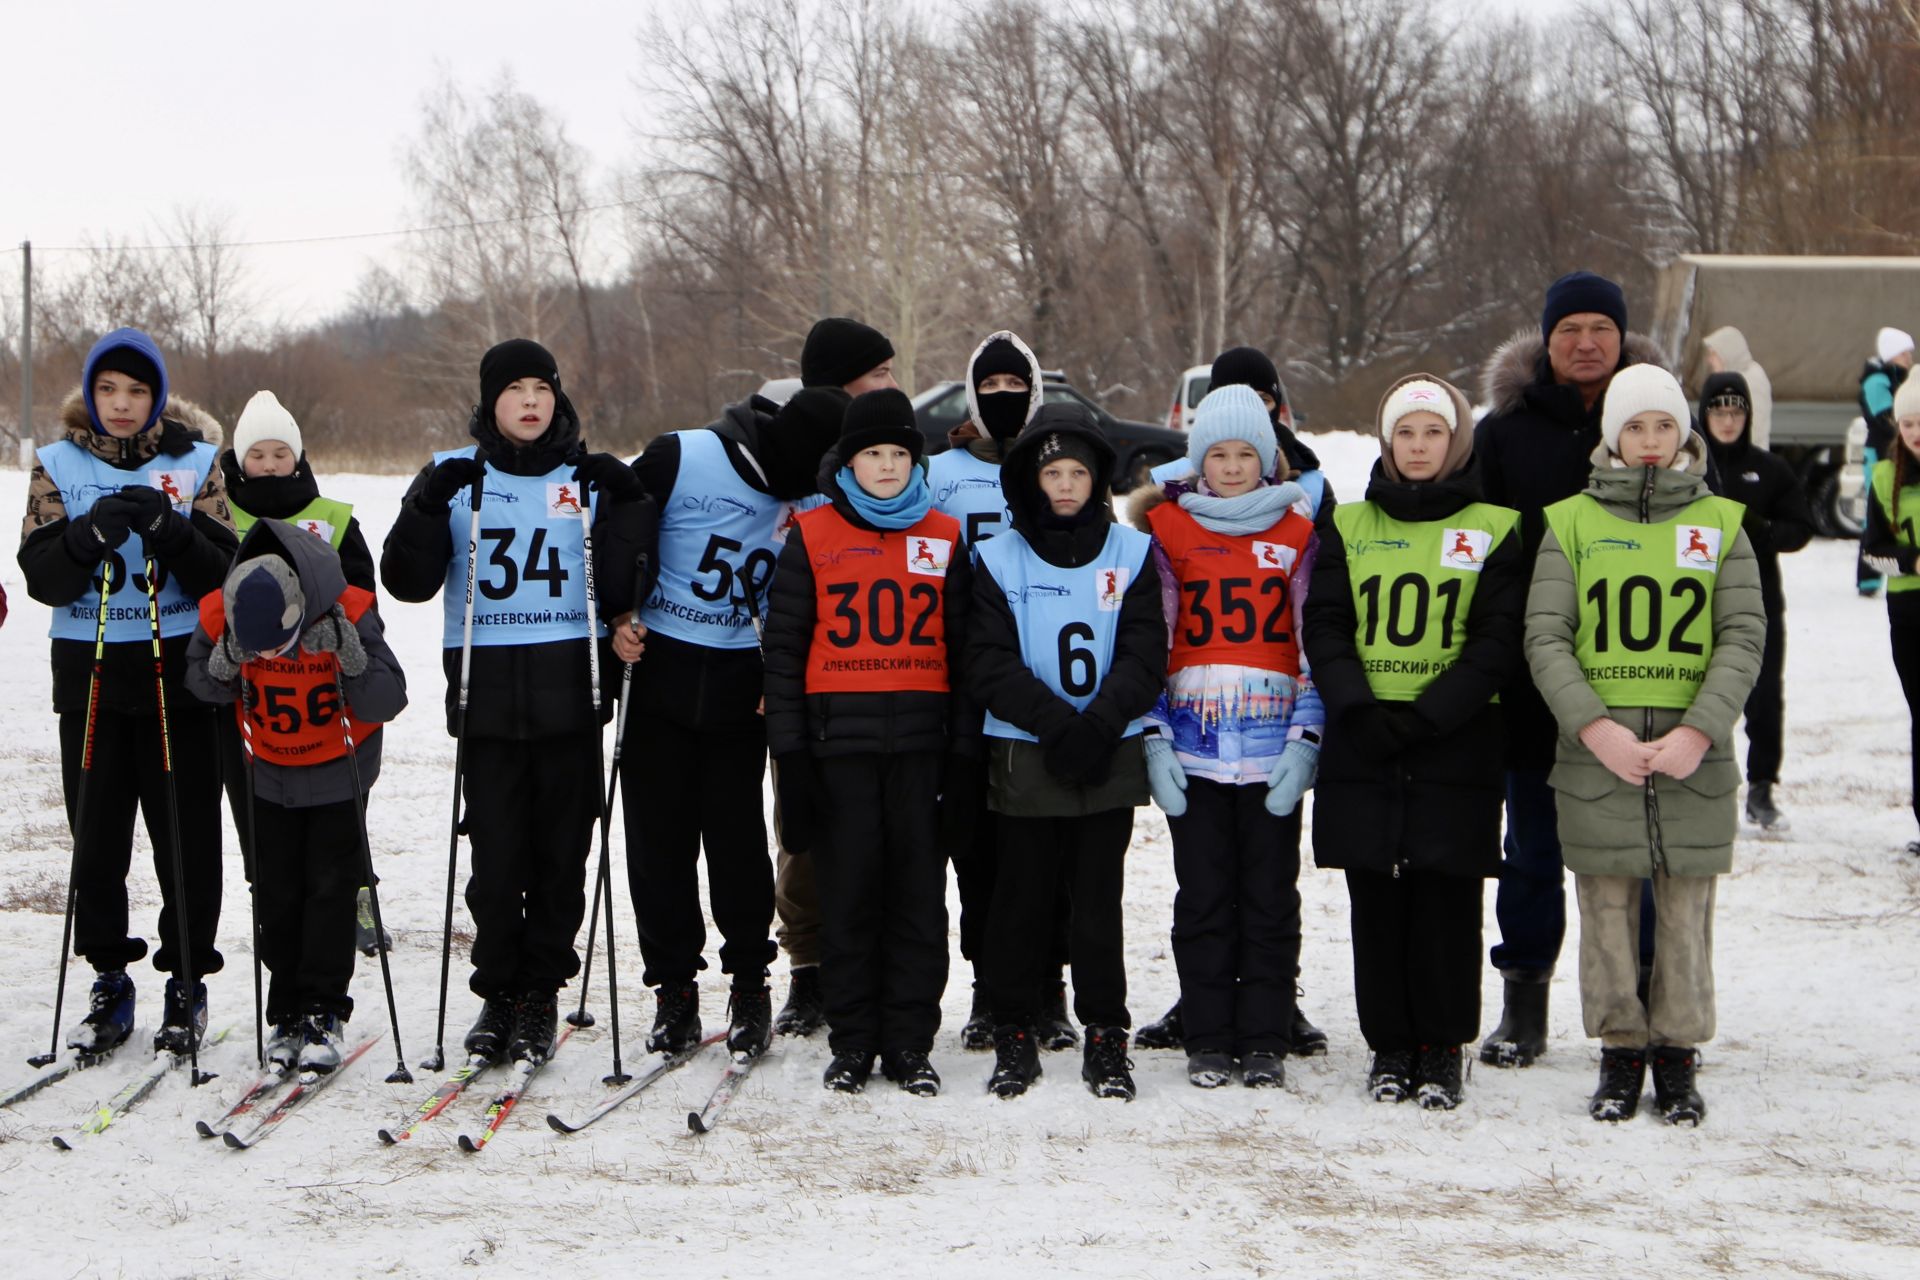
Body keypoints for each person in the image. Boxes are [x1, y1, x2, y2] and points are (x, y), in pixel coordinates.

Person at [380, 338, 649, 1065]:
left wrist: (626, 498)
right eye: (514, 389)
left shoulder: (585, 479)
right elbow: (405, 581)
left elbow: (627, 587)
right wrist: (425, 508)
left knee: (562, 858)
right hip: (489, 700)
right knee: (496, 865)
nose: (531, 401)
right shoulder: (455, 476)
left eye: (542, 388)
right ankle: (498, 994)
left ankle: (540, 995)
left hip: (570, 695)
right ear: (490, 401)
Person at [617, 319, 867, 1059]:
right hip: (662, 669)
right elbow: (617, 532)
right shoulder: (685, 454)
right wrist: (617, 617)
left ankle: (750, 984)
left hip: (742, 682)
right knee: (658, 844)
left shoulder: (818, 499)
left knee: (737, 844)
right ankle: (674, 989)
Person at [1525, 363, 1764, 1125]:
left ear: (1684, 433)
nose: (1652, 441)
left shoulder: (1722, 524)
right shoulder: (1571, 523)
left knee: (1687, 911)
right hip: (1601, 754)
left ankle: (1679, 1055)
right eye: (1636, 427)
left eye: (1664, 425)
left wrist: (1701, 729)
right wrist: (1595, 728)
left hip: (1694, 757)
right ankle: (1621, 1050)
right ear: (1613, 438)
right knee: (1604, 909)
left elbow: (1743, 635)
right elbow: (1547, 636)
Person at [1302, 375, 1524, 1109]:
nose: (1419, 445)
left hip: (1451, 736)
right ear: (1386, 441)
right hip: (1368, 734)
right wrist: (1359, 709)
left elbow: (1496, 640)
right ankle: (1390, 1044)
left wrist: (1429, 716)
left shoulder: (1496, 525)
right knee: (1377, 895)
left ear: (1456, 439)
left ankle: (1441, 1044)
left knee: (1446, 895)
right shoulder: (1350, 522)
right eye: (1406, 433)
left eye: (1433, 432)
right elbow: (1326, 624)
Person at [16, 328, 236, 1054]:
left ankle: (186, 979)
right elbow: (42, 578)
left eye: (137, 391)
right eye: (107, 389)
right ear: (89, 394)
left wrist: (169, 529)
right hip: (92, 672)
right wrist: (86, 536)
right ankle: (110, 974)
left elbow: (221, 573)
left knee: (187, 835)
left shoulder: (196, 461)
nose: (120, 403)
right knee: (98, 839)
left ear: (158, 398)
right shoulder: (56, 464)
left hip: (179, 670)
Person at [1471, 270, 1670, 1069]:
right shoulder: (1504, 432)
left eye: (1601, 328)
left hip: (1642, 681)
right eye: (1569, 331)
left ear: (1623, 339)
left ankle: (1645, 996)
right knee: (1531, 851)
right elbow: (1480, 549)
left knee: (1636, 849)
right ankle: (1525, 1001)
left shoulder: (1658, 425)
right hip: (1532, 681)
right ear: (1545, 342)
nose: (1586, 343)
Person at [762, 388, 972, 1094]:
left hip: (921, 751)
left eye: (898, 454)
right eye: (872, 454)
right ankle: (852, 1041)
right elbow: (784, 655)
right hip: (837, 753)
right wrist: (791, 758)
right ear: (847, 462)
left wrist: (964, 755)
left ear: (916, 462)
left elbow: (967, 653)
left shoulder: (944, 535)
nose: (886, 466)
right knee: (848, 900)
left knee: (916, 901)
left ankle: (910, 1042)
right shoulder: (813, 535)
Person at [1134, 343, 1333, 1059]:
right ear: (1197, 460)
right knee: (1204, 898)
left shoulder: (1298, 530)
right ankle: (1209, 1034)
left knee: (1272, 901)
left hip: (1273, 747)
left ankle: (1266, 1036)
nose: (1229, 467)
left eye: (1243, 455)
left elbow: (1315, 641)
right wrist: (1153, 734)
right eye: (1215, 455)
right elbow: (1148, 641)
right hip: (1195, 750)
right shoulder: (1166, 529)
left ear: (1266, 458)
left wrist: (1308, 738)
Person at [968, 403, 1167, 1100]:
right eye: (1052, 471)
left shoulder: (1132, 552)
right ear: (1030, 477)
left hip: (1108, 752)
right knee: (1019, 899)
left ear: (1097, 478)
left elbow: (1146, 655)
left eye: (1077, 471)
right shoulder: (995, 556)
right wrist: (1058, 725)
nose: (1064, 484)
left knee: (1098, 902)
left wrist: (1099, 724)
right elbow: (987, 661)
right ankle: (1014, 1030)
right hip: (1027, 754)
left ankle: (1106, 1035)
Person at [185, 519, 406, 1072]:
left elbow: (387, 698)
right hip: (268, 775)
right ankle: (285, 1012)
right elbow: (200, 683)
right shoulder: (220, 611)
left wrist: (350, 656)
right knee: (277, 897)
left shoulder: (347, 609)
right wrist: (223, 664)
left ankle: (323, 1010)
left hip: (339, 771)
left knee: (330, 895)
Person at [927, 329, 1076, 1052]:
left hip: (1046, 674)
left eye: (1017, 386)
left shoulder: (1060, 463)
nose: (1004, 398)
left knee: (1046, 846)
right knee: (977, 848)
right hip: (962, 678)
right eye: (989, 388)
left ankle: (1051, 987)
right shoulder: (942, 471)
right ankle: (990, 987)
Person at [764, 317, 901, 1039]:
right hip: (805, 684)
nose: (889, 385)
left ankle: (871, 963)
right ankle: (808, 969)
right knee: (804, 834)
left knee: (882, 834)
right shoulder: (785, 451)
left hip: (880, 682)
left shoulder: (888, 458)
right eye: (875, 375)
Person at [215, 390, 387, 954]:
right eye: (257, 454)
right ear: (240, 459)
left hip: (326, 689)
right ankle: (270, 901)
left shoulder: (331, 517)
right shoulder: (220, 513)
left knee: (340, 808)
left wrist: (326, 629)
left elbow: (363, 593)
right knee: (261, 814)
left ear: (298, 456)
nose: (268, 465)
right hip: (255, 698)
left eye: (279, 453)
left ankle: (356, 890)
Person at [1699, 372, 1813, 830]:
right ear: (1703, 415)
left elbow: (1801, 527)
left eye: (1736, 411)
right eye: (1718, 411)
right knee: (1703, 696)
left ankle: (1762, 788)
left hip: (1759, 603)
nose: (1727, 421)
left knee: (1764, 697)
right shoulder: (1688, 469)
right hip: (1697, 604)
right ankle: (1704, 787)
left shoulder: (1769, 469)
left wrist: (1763, 532)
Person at [1860, 376, 1920, 856]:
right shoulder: (1884, 478)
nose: (1916, 430)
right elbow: (1869, 555)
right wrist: (1910, 561)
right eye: (1908, 422)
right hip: (1909, 611)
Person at [1858, 328, 1915, 597]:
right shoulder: (1877, 380)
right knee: (1876, 515)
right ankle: (1868, 579)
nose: (1909, 358)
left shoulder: (1898, 378)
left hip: (1896, 455)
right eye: (1904, 353)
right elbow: (1885, 419)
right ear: (1892, 354)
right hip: (1880, 456)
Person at [1701, 327, 1773, 449]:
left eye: (1714, 354)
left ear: (1728, 353)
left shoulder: (1751, 380)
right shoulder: (1736, 377)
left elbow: (1755, 429)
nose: (1710, 360)